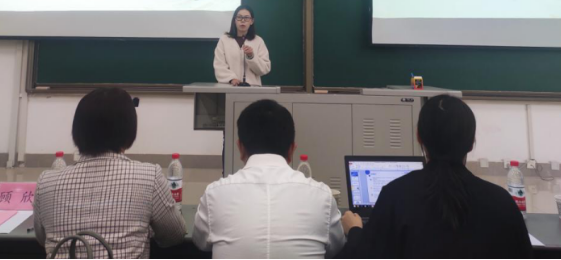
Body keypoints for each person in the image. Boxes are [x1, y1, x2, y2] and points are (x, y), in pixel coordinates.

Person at [336, 95, 533, 260]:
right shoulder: (501, 202)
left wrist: (355, 231)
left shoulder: (395, 196)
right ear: (472, 142)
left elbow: (365, 254)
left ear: (419, 137)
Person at [33, 88, 186, 259]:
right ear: (129, 131)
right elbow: (174, 235)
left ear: (77, 131)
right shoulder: (149, 177)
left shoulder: (46, 182)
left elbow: (42, 238)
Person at [193, 99, 345, 259]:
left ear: (240, 148)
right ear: (291, 150)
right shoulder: (323, 197)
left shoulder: (214, 195)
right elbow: (336, 247)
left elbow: (200, 242)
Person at [214, 5, 271, 86]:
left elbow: (265, 68)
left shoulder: (258, 41)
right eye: (239, 17)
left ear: (252, 21)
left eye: (246, 18)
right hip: (229, 87)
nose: (243, 20)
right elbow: (219, 65)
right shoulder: (224, 40)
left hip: (253, 88)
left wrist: (251, 57)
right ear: (234, 20)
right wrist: (231, 78)